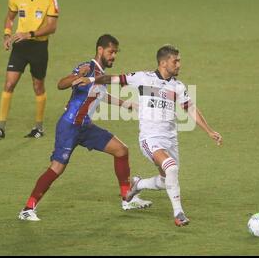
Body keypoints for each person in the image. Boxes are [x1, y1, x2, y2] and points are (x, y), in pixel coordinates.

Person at [73, 45, 223, 227]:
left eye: (179, 60)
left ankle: (138, 185)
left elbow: (190, 108)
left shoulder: (178, 86)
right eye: (175, 61)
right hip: (150, 139)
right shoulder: (143, 78)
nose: (179, 64)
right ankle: (179, 213)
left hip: (170, 140)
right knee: (172, 168)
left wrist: (209, 130)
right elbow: (112, 78)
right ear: (163, 63)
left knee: (165, 180)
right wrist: (90, 79)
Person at [18, 34, 152, 221]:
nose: (113, 56)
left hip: (85, 127)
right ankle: (27, 209)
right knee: (57, 168)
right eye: (111, 51)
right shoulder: (88, 68)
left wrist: (128, 104)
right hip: (70, 126)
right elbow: (61, 84)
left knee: (121, 151)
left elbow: (100, 95)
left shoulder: (99, 73)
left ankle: (126, 198)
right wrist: (77, 76)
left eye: (115, 53)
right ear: (100, 50)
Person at [0, 0, 59, 139]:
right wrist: (6, 34)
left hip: (39, 48)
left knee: (38, 86)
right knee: (9, 84)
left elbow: (52, 27)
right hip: (20, 47)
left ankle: (38, 128)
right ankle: (0, 127)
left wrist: (30, 34)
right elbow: (10, 17)